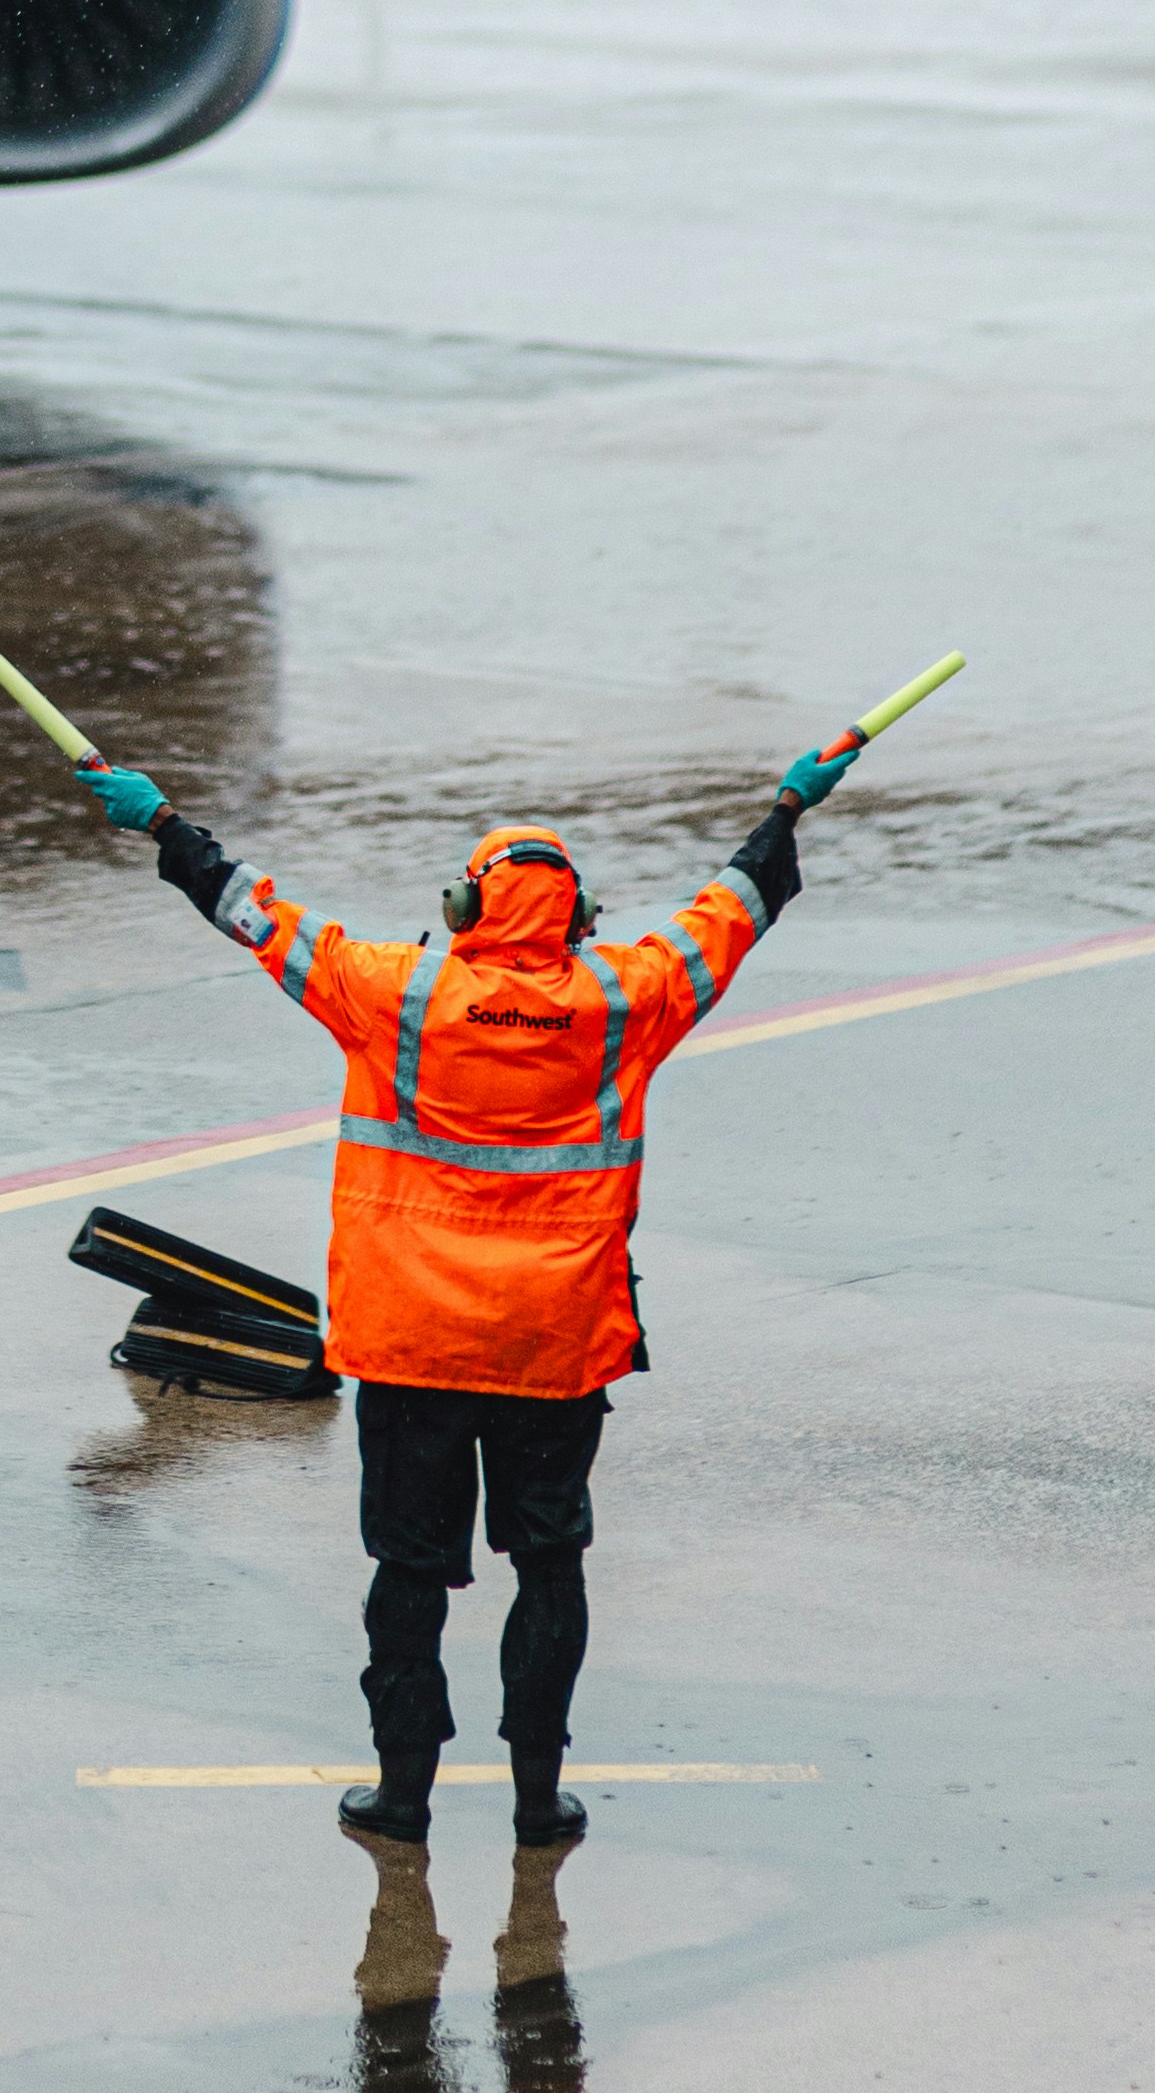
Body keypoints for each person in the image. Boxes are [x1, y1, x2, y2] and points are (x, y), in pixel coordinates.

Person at [81, 736, 853, 1849]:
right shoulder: (624, 998)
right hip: (556, 1342)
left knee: (406, 1574)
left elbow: (248, 909)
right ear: (578, 912)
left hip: (410, 1345)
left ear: (460, 906)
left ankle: (402, 1796)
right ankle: (538, 1799)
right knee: (549, 1566)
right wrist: (787, 808)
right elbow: (733, 910)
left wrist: (159, 825)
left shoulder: (392, 988)